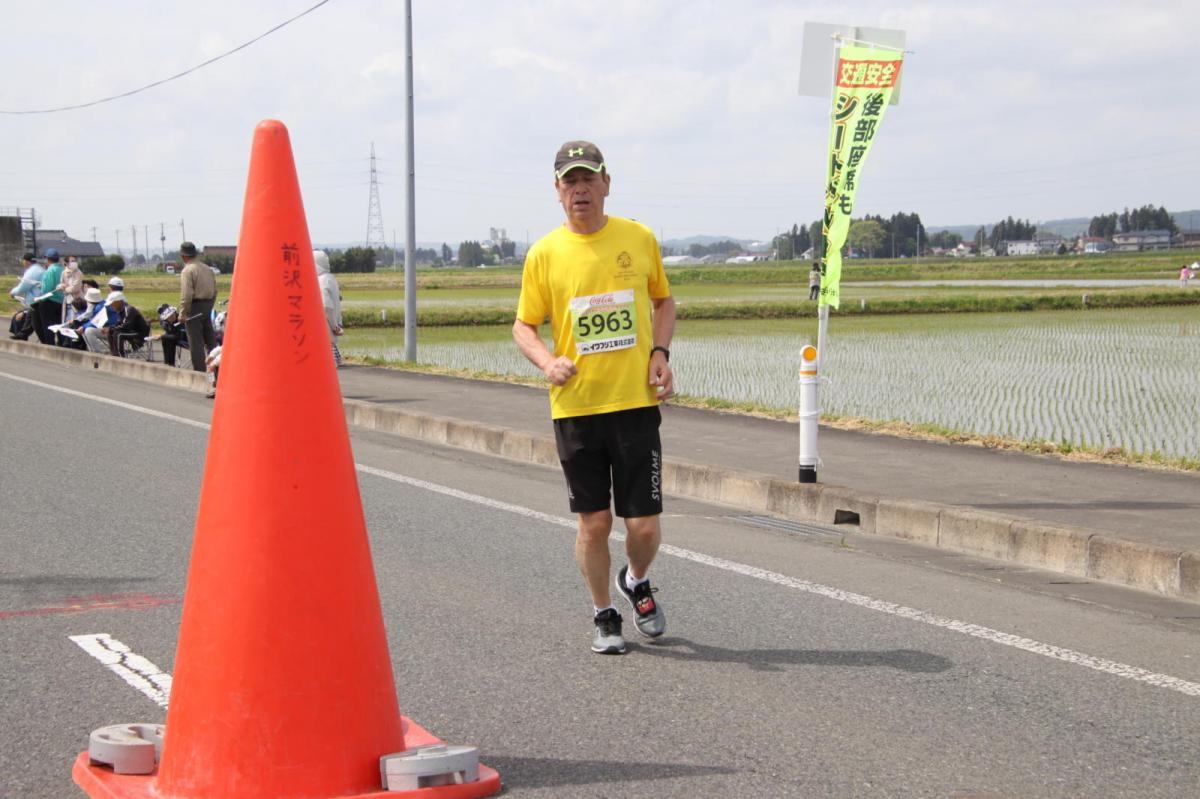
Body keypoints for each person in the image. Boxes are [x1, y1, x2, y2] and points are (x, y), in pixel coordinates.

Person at [513, 140, 676, 655]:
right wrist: (546, 360)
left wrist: (660, 351)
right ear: (557, 191)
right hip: (577, 409)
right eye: (570, 181)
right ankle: (605, 613)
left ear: (607, 183)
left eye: (589, 179)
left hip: (634, 404)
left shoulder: (638, 237)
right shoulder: (544, 254)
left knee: (644, 523)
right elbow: (523, 325)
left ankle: (637, 580)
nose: (580, 189)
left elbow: (664, 300)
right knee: (595, 522)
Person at [178, 241, 217, 372]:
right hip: (208, 305)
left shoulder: (187, 270)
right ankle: (216, 368)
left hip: (194, 307)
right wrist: (209, 307)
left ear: (183, 256)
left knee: (196, 343)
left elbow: (187, 294)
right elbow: (214, 291)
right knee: (210, 340)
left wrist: (183, 313)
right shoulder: (207, 269)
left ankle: (199, 372)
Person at [315, 250, 344, 366]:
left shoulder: (321, 281)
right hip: (334, 326)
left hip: (327, 328)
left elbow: (326, 307)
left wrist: (333, 326)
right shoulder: (331, 278)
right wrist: (337, 324)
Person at [31, 249, 65, 344]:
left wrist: (40, 296)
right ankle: (62, 344)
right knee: (59, 324)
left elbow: (47, 289)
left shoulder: (50, 270)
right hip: (61, 301)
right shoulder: (62, 269)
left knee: (48, 325)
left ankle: (50, 344)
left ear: (47, 259)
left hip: (49, 301)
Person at [8, 253, 43, 340]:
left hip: (36, 300)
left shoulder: (32, 271)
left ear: (26, 261)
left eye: (23, 261)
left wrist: (13, 292)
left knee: (36, 324)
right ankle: (23, 334)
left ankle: (24, 335)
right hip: (37, 300)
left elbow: (24, 286)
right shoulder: (39, 269)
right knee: (30, 318)